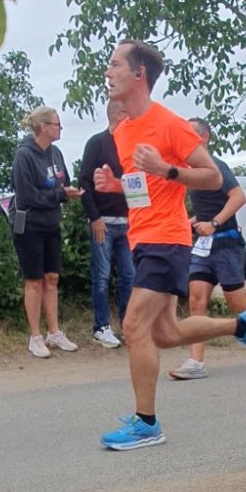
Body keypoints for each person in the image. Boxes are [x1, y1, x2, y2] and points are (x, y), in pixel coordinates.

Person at [92, 40, 246, 450]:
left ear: (140, 74)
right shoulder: (125, 131)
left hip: (166, 239)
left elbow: (212, 177)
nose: (107, 72)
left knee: (133, 325)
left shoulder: (170, 124)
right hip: (142, 238)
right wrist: (116, 186)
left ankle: (146, 424)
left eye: (115, 64)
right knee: (165, 333)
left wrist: (167, 168)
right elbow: (143, 187)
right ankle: (243, 324)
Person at [169, 119, 246, 380]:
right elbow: (207, 209)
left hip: (227, 245)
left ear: (204, 138)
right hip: (204, 248)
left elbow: (238, 197)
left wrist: (213, 223)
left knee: (239, 304)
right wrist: (191, 222)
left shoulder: (216, 166)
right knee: (196, 300)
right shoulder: (190, 172)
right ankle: (196, 361)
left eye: (189, 134)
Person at [9, 106, 83, 358]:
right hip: (29, 225)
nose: (61, 129)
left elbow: (63, 184)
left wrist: (68, 193)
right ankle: (35, 337)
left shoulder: (56, 153)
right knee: (34, 280)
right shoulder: (24, 155)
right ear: (43, 127)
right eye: (57, 124)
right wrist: (59, 195)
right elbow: (28, 196)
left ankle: (54, 332)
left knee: (51, 278)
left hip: (51, 223)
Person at [78, 101, 134, 349]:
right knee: (101, 276)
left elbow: (137, 181)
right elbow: (84, 182)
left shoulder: (131, 144)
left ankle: (128, 325)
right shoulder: (97, 143)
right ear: (118, 114)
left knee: (129, 276)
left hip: (128, 222)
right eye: (128, 112)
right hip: (104, 222)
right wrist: (95, 217)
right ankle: (101, 327)